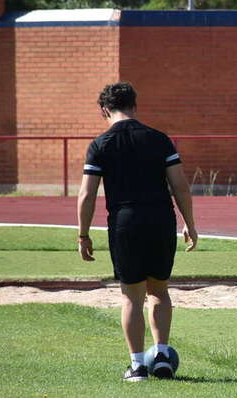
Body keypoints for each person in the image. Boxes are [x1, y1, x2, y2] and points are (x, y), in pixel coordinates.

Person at [77, 82, 198, 381]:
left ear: (105, 110)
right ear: (134, 106)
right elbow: (180, 185)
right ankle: (161, 356)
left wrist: (83, 234)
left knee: (131, 296)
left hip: (125, 222)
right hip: (161, 220)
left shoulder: (100, 144)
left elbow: (87, 194)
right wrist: (190, 224)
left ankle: (137, 366)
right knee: (159, 292)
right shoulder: (159, 140)